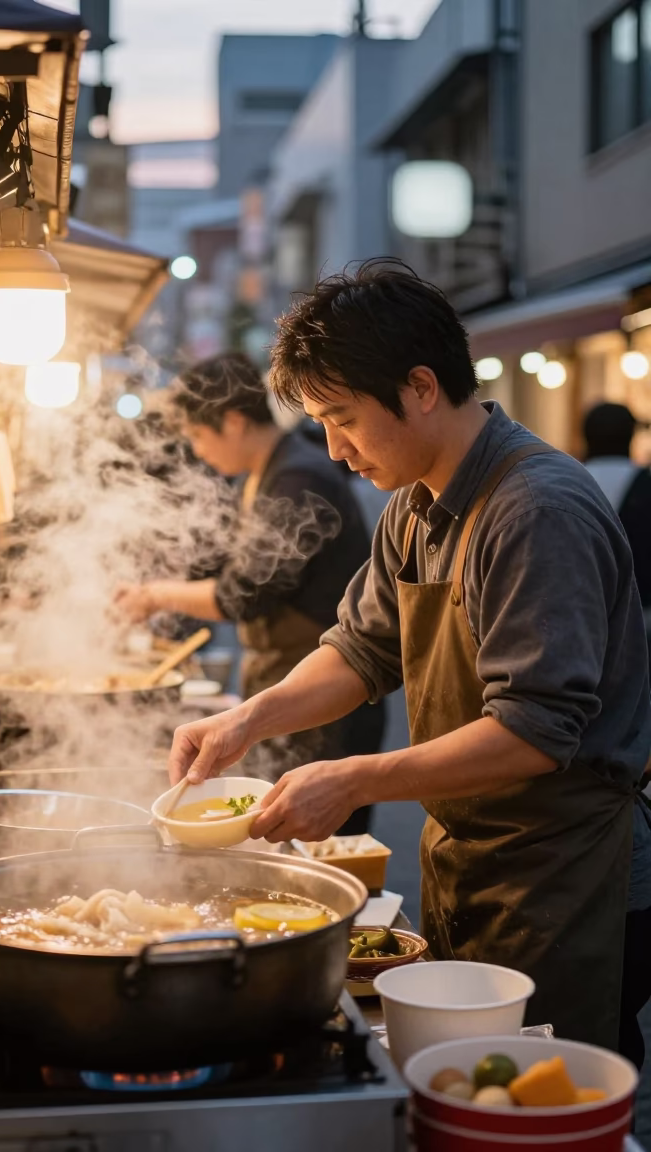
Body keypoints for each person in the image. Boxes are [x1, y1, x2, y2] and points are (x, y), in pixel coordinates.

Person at [166, 261, 651, 1062]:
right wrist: (244, 720)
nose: (334, 448)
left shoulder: (535, 510)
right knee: (468, 1080)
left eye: (343, 416)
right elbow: (359, 647)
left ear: (421, 386)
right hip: (474, 856)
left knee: (540, 1093)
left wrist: (354, 778)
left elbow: (535, 731)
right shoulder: (416, 504)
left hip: (570, 875)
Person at [116, 351, 384, 806]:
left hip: (321, 700)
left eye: (198, 435)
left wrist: (157, 595)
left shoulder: (298, 476)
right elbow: (224, 565)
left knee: (308, 848)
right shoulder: (264, 473)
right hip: (286, 688)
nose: (197, 450)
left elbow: (244, 593)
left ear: (235, 421)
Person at [583, 402, 651, 658]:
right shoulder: (646, 485)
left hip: (580, 624)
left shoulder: (566, 484)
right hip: (642, 625)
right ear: (631, 435)